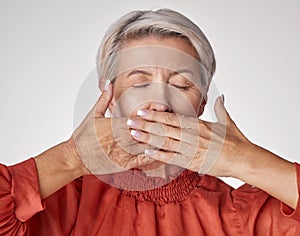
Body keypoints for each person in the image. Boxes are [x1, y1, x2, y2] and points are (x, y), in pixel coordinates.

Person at [0, 8, 299, 235]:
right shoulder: (64, 199)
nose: (160, 103)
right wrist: (71, 158)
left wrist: (242, 160)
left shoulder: (236, 214)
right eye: (140, 83)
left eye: (182, 85)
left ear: (202, 104)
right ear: (110, 96)